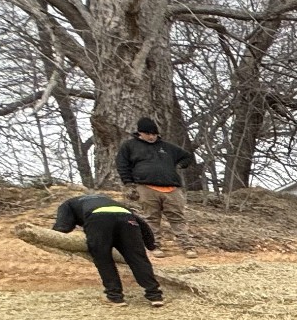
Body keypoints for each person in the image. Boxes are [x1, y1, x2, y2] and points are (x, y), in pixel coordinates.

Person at [53, 192, 163, 306]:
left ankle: (115, 297)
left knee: (103, 257)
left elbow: (62, 227)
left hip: (98, 219)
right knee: (138, 257)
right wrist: (151, 245)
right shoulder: (109, 201)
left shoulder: (67, 204)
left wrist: (54, 238)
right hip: (126, 218)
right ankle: (155, 296)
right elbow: (142, 223)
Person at [115, 117, 199, 255]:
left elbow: (187, 157)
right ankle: (154, 246)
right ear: (140, 133)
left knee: (177, 217)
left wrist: (179, 165)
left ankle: (187, 246)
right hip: (145, 186)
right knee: (151, 218)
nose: (151, 137)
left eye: (154, 134)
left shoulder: (167, 147)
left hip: (172, 187)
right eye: (148, 134)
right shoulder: (129, 146)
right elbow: (122, 165)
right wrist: (129, 184)